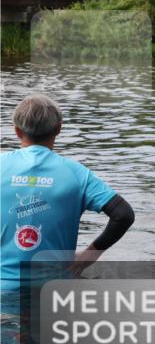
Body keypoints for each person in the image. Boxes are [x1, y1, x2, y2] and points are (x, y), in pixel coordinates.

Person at [1, 94, 135, 289]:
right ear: (58, 129)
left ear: (17, 131)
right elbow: (123, 215)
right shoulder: (77, 174)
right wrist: (87, 257)